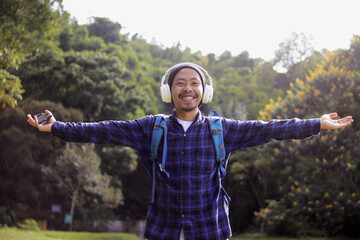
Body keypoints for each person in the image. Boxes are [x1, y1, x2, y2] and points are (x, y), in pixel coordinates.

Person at [27, 62, 353, 240]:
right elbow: (101, 130)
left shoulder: (220, 129)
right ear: (170, 91)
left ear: (204, 91)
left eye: (194, 83)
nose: (188, 88)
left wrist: (316, 123)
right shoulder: (150, 127)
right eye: (180, 82)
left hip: (210, 231)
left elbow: (269, 129)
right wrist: (56, 127)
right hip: (162, 231)